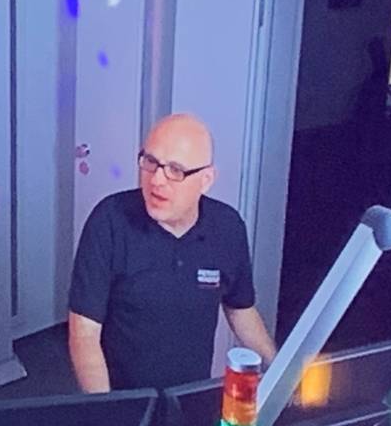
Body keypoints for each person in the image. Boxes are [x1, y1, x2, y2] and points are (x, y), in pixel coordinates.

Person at [68, 113, 277, 393]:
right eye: (150, 162)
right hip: (124, 398)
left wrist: (279, 370)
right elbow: (84, 333)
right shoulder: (109, 220)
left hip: (191, 397)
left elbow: (240, 310)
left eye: (175, 170)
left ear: (205, 180)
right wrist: (108, 410)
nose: (156, 180)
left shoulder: (227, 228)